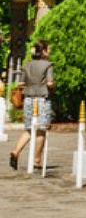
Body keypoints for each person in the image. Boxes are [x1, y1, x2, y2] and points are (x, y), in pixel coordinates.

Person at [9, 41, 52, 170]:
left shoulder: (27, 65)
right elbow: (49, 83)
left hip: (28, 99)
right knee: (41, 129)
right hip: (42, 99)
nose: (50, 51)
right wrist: (51, 84)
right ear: (43, 51)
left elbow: (21, 83)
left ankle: (16, 151)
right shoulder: (47, 65)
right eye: (48, 49)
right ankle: (37, 160)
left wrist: (31, 85)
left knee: (29, 129)